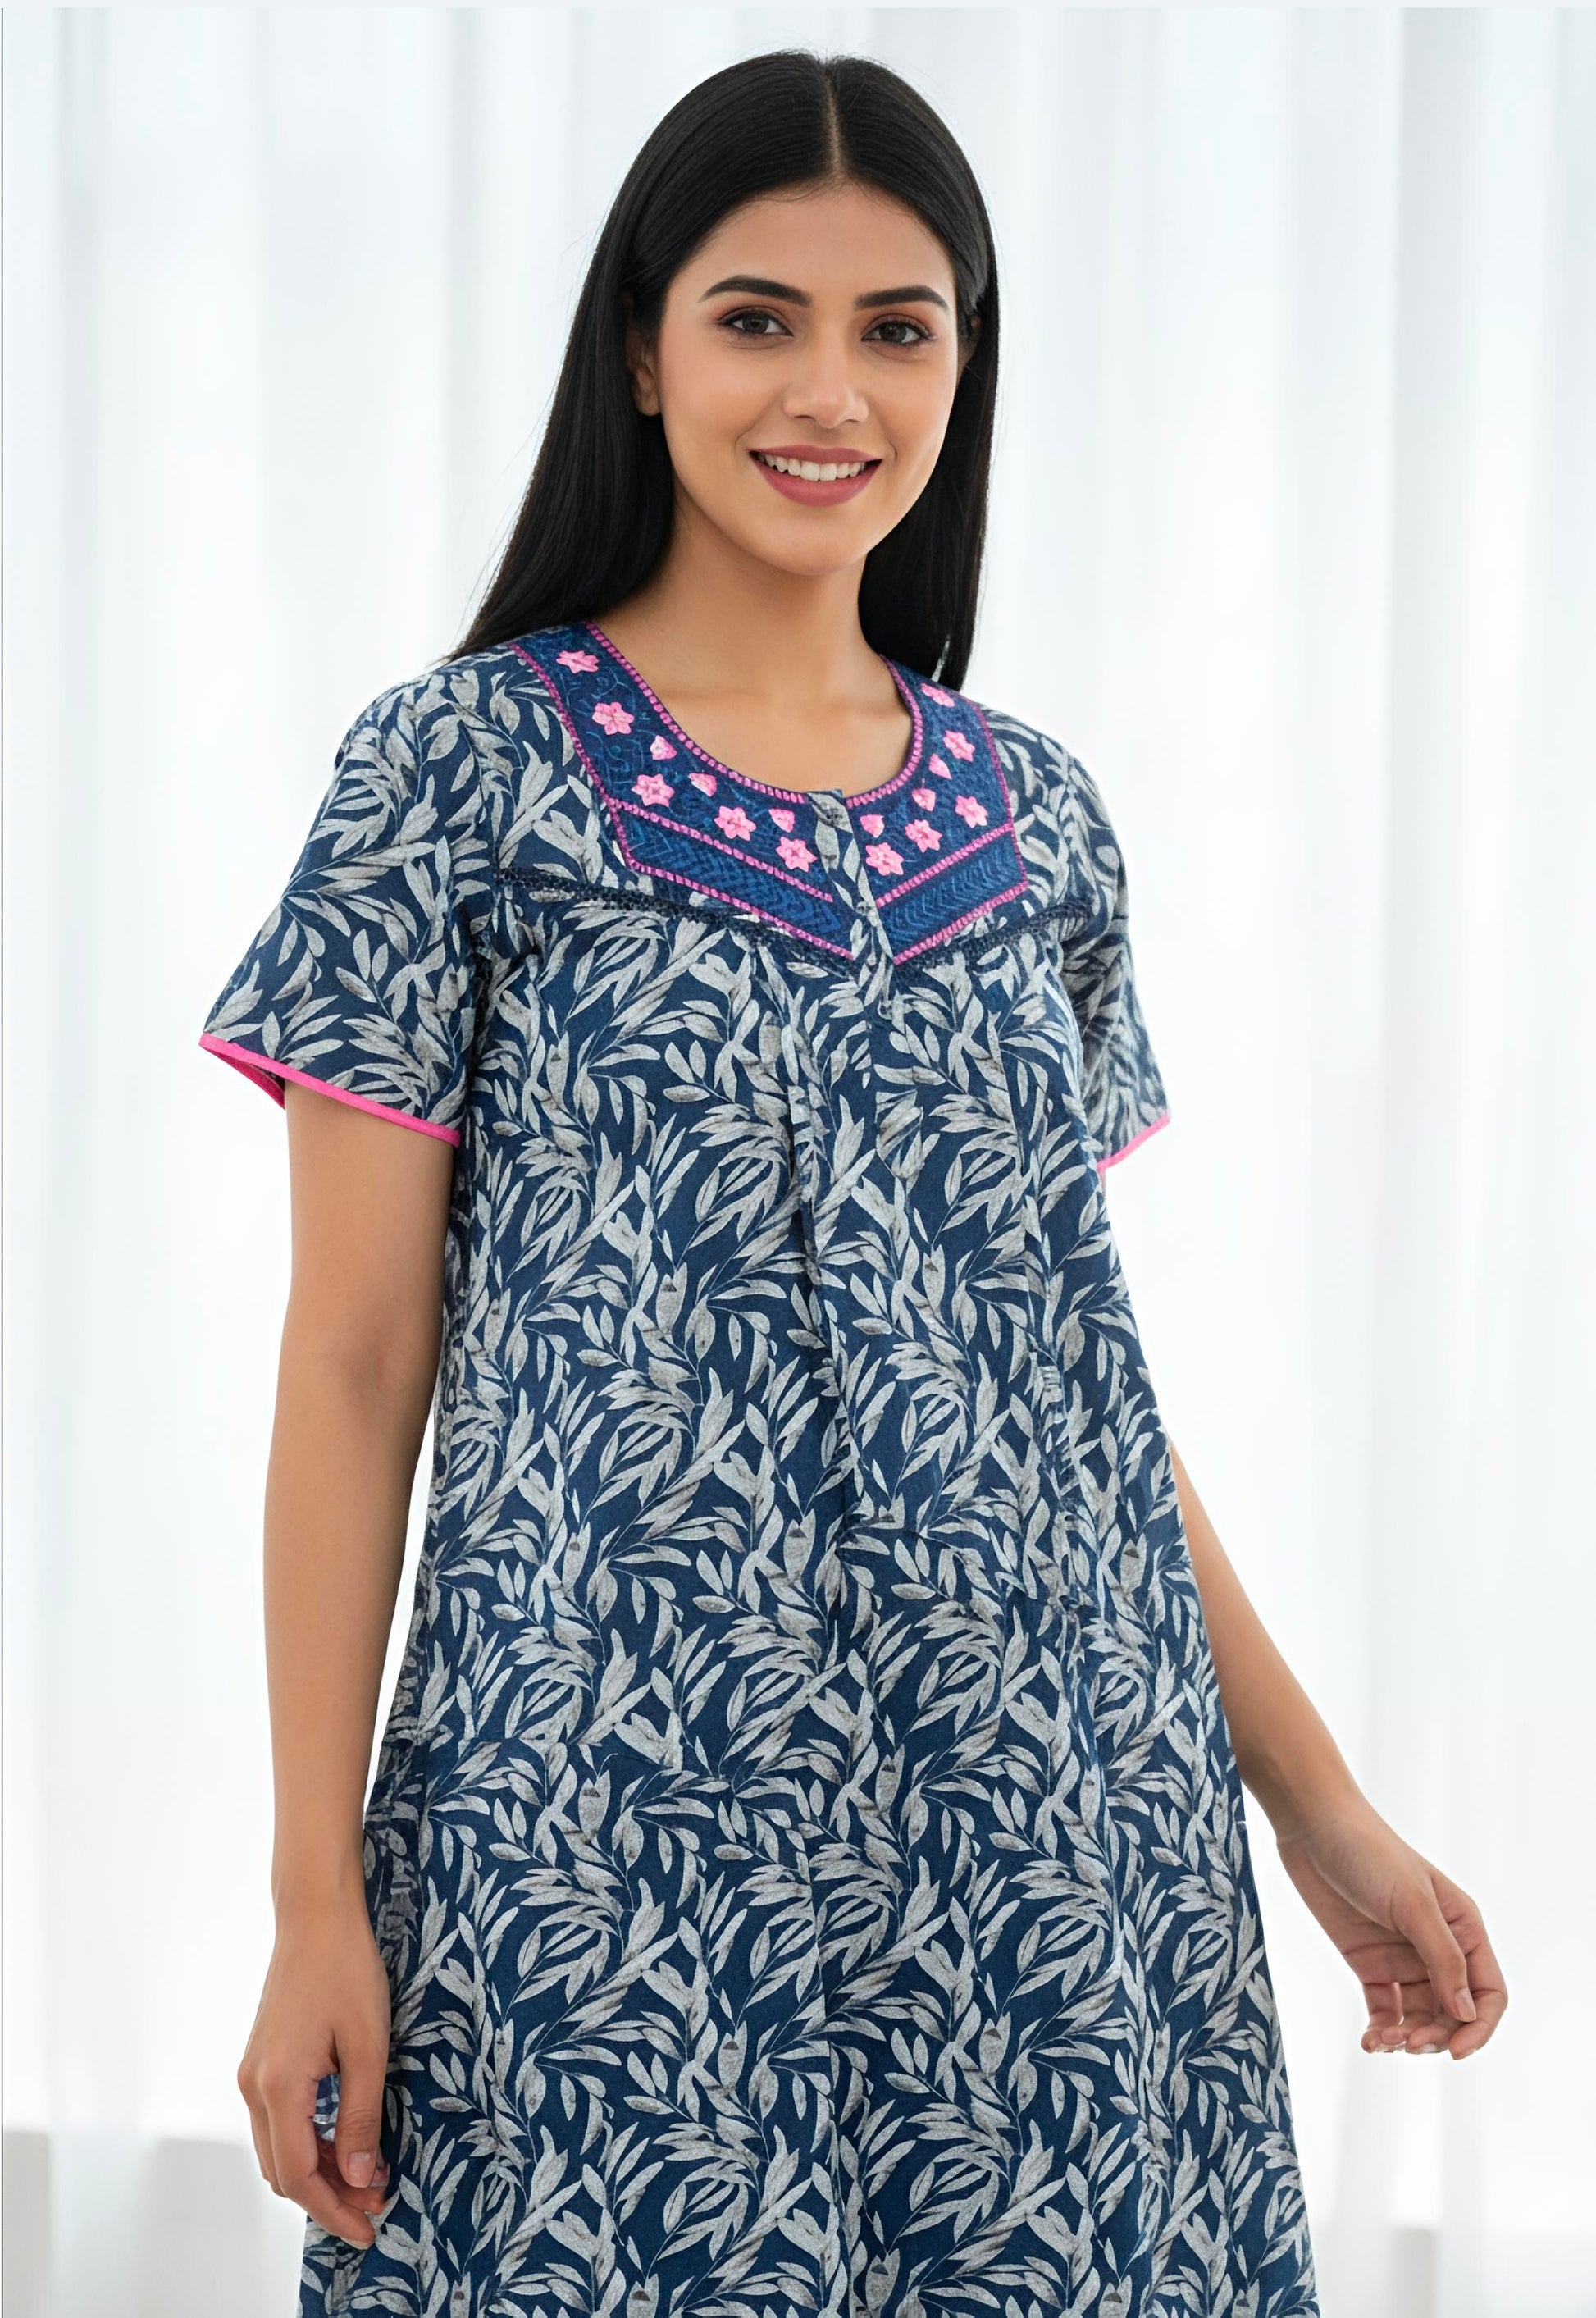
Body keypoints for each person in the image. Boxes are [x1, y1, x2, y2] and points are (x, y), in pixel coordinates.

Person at [199, 48, 1506, 2318]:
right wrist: (316, 1896)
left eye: (897, 327)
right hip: (611, 1830)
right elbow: (353, 1365)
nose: (831, 390)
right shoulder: (455, 774)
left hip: (1056, 1826)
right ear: (642, 350)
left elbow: (1063, 1383)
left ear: (963, 365)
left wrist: (1320, 1809)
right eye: (757, 318)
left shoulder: (1041, 821)